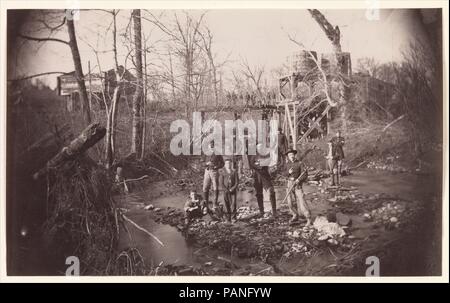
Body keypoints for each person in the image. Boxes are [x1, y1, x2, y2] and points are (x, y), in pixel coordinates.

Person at [248, 144, 277, 217]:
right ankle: (261, 211)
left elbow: (269, 162)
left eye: (261, 148)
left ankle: (274, 211)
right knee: (259, 194)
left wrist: (259, 163)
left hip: (265, 176)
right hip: (257, 176)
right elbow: (252, 164)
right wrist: (260, 164)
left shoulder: (266, 155)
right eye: (259, 148)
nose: (260, 149)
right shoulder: (253, 156)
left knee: (271, 191)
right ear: (257, 149)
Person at [285, 149, 311, 226]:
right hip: (289, 184)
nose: (291, 156)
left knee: (302, 201)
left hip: (297, 184)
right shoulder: (287, 164)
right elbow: (284, 174)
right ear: (288, 157)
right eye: (289, 155)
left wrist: (299, 180)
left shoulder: (300, 163)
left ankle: (308, 218)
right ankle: (295, 215)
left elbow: (305, 174)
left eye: (292, 155)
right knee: (290, 202)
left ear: (294, 155)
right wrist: (288, 173)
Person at [203, 141, 224, 216]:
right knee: (205, 187)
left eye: (212, 146)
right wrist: (206, 164)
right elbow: (201, 162)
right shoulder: (206, 153)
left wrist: (216, 167)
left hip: (214, 171)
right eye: (210, 146)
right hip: (207, 171)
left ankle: (215, 204)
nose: (211, 147)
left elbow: (222, 163)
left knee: (215, 187)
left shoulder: (218, 153)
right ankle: (206, 205)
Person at [220, 158, 239, 223]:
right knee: (226, 204)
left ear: (231, 164)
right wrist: (225, 189)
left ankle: (233, 217)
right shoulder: (223, 172)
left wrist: (232, 188)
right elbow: (221, 183)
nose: (228, 165)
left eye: (229, 163)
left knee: (233, 204)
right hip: (225, 191)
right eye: (227, 163)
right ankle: (228, 218)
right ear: (225, 165)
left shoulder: (234, 172)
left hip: (232, 191)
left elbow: (237, 182)